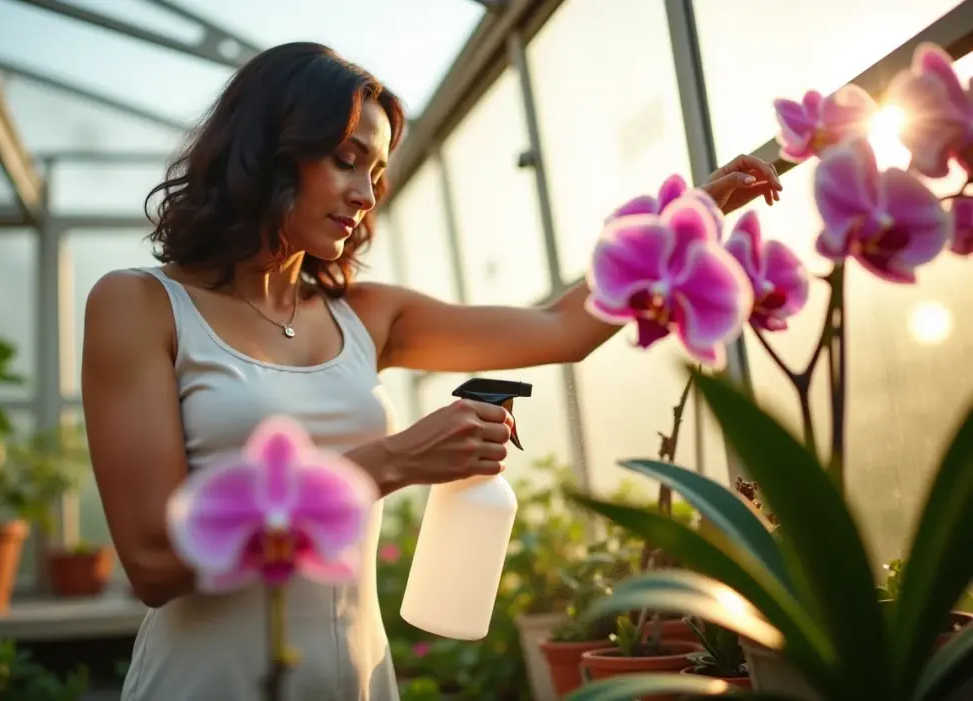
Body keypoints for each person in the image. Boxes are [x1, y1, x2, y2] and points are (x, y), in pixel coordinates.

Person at [82, 42, 782, 701]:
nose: (365, 194)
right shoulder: (143, 305)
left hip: (360, 680)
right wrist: (393, 459)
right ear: (270, 148)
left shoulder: (367, 314)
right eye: (346, 158)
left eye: (377, 173)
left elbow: (562, 329)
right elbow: (153, 561)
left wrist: (690, 219)